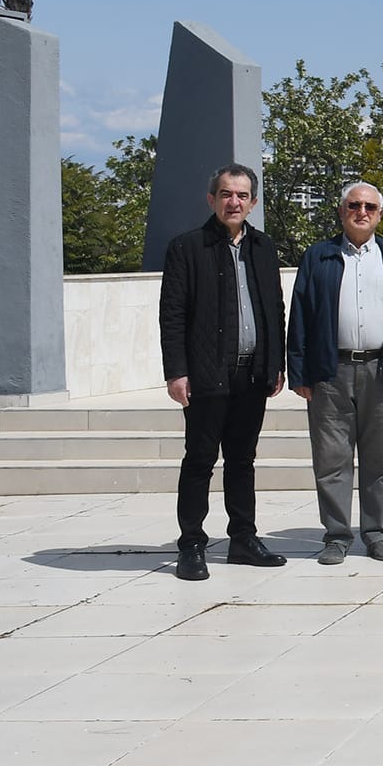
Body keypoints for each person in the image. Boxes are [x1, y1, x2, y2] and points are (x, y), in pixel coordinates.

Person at [158, 164, 287, 581]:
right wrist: (176, 371)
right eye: (226, 194)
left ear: (253, 202)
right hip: (206, 374)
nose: (235, 202)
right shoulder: (187, 247)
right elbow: (172, 314)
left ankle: (243, 540)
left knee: (242, 460)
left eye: (243, 195)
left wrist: (275, 364)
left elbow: (274, 309)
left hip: (252, 375)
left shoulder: (264, 247)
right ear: (211, 199)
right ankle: (192, 544)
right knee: (199, 460)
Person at [287, 182, 383, 564]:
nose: (361, 212)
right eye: (354, 205)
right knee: (331, 458)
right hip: (329, 371)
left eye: (369, 206)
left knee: (381, 459)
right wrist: (299, 371)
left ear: (380, 214)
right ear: (341, 211)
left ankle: (377, 533)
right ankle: (336, 535)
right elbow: (300, 313)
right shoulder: (320, 256)